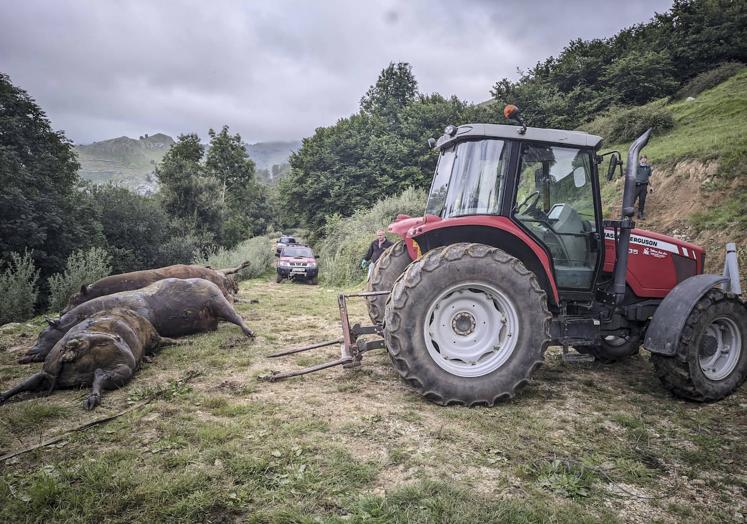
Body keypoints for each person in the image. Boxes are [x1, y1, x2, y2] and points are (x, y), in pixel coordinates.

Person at [634, 155, 654, 219]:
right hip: (636, 186)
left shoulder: (648, 167)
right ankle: (627, 214)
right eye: (642, 158)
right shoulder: (636, 166)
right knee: (632, 199)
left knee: (642, 200)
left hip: (644, 186)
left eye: (645, 158)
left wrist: (651, 186)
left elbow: (648, 177)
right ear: (640, 160)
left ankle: (640, 214)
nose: (644, 160)